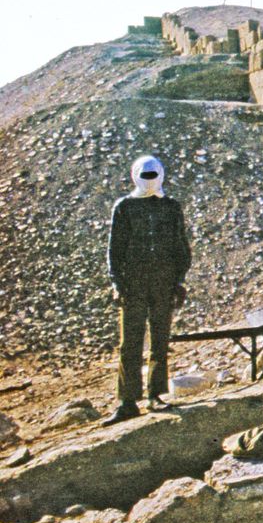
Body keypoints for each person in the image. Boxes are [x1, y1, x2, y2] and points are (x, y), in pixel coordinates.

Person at [104, 156, 192, 425]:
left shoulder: (171, 207)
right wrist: (117, 283)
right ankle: (127, 401)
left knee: (160, 340)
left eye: (154, 175)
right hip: (133, 284)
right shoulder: (125, 207)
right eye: (146, 175)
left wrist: (178, 280)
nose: (150, 180)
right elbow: (114, 249)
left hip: (163, 283)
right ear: (135, 175)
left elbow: (181, 246)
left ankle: (156, 394)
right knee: (130, 343)